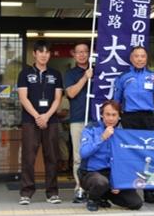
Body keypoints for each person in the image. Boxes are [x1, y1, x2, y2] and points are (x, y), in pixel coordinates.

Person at [112, 45, 154, 204]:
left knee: (149, 155)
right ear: (131, 58)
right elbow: (116, 102)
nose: (140, 59)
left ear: (146, 59)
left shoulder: (153, 76)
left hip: (148, 118)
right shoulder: (124, 77)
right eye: (137, 56)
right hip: (129, 118)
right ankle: (130, 189)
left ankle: (149, 192)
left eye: (143, 56)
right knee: (131, 154)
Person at [16, 40, 64, 205]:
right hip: (30, 120)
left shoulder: (56, 74)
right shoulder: (25, 73)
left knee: (52, 157)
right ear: (34, 54)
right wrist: (37, 116)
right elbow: (23, 97)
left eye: (47, 52)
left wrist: (47, 116)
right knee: (28, 157)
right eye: (41, 52)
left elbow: (58, 98)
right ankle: (26, 192)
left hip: (51, 121)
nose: (44, 55)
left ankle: (52, 192)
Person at [80, 100, 143, 212]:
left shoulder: (122, 132)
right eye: (107, 114)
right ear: (101, 115)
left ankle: (104, 195)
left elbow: (126, 161)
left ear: (119, 116)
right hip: (91, 173)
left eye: (114, 115)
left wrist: (119, 181)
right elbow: (83, 152)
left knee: (136, 203)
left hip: (113, 173)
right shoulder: (91, 128)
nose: (110, 118)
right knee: (101, 182)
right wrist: (102, 138)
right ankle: (93, 199)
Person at [63, 42, 92, 203]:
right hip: (77, 119)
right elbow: (71, 93)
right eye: (78, 52)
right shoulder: (70, 73)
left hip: (96, 120)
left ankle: (95, 188)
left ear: (89, 53)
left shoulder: (97, 71)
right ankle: (80, 188)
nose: (82, 55)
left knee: (96, 156)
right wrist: (85, 77)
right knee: (78, 156)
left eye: (85, 51)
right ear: (73, 54)